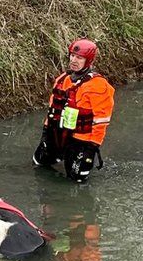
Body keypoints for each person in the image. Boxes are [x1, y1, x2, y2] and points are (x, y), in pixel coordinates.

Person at [33, 39, 115, 182]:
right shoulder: (62, 79)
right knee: (38, 163)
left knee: (76, 178)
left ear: (88, 61)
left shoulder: (98, 86)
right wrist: (46, 132)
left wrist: (92, 148)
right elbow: (52, 109)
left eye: (79, 57)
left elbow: (101, 121)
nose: (74, 60)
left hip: (81, 139)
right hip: (57, 132)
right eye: (72, 55)